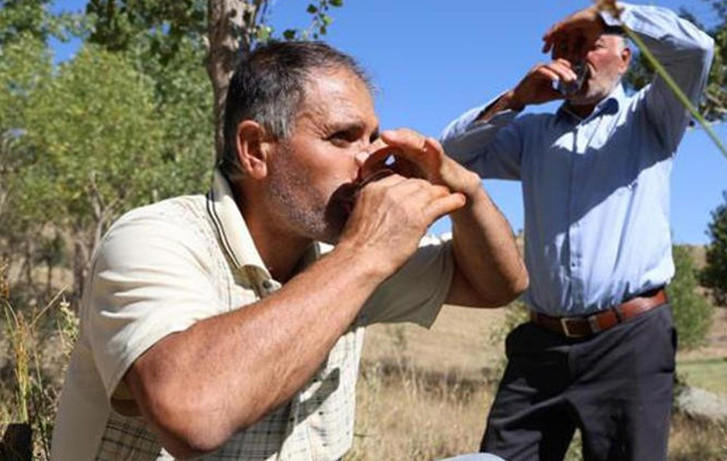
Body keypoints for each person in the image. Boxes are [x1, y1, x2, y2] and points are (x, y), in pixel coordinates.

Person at [51, 40, 527, 460]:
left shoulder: (335, 255)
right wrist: (363, 255)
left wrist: (467, 193)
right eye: (342, 137)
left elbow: (498, 285)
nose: (370, 161)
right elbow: (191, 414)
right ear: (255, 149)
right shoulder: (156, 237)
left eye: (373, 138)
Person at [440, 2, 714, 460]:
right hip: (541, 345)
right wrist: (516, 99)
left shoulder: (650, 117)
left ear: (625, 59)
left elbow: (695, 50)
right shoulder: (531, 133)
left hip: (629, 342)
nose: (574, 56)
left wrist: (612, 12)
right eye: (565, 47)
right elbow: (451, 157)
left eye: (590, 43)